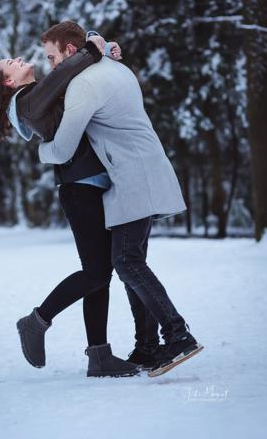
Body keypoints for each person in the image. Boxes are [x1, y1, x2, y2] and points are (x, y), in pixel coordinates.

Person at [0, 25, 139, 378]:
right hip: (78, 188)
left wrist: (101, 47)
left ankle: (99, 355)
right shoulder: (28, 100)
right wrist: (94, 49)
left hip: (88, 184)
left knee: (100, 274)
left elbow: (69, 73)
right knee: (96, 271)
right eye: (10, 63)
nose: (18, 59)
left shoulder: (36, 94)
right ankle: (37, 321)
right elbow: (65, 71)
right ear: (8, 83)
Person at [38, 22, 204, 378]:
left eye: (52, 57)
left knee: (127, 262)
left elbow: (63, 147)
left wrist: (42, 151)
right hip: (144, 170)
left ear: (70, 52)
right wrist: (104, 43)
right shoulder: (115, 67)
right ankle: (147, 348)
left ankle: (177, 335)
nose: (51, 67)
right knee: (132, 263)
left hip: (131, 178)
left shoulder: (83, 84)